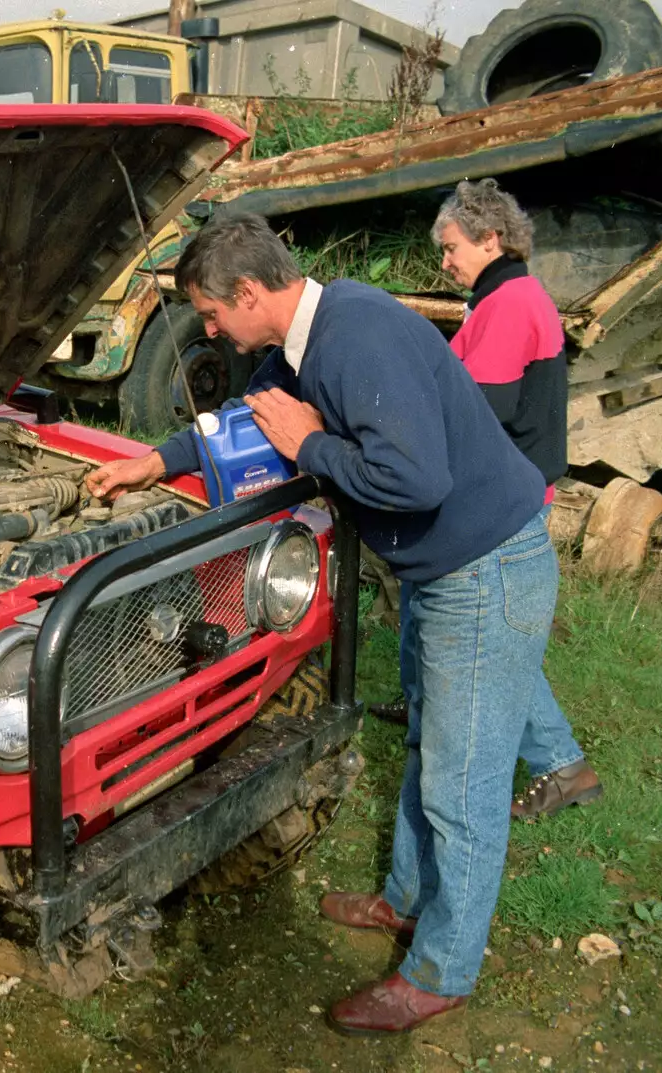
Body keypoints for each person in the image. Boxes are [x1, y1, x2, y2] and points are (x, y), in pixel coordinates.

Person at [86, 213, 557, 1035]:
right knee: (426, 752)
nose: (209, 329)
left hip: (483, 569)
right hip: (439, 572)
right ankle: (405, 900)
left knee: (464, 785)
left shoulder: (353, 340)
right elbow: (249, 418)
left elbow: (414, 478)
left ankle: (442, 972)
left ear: (249, 292)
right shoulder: (307, 341)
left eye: (210, 311)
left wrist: (310, 448)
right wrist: (154, 462)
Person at [380, 179, 599, 822]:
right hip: (512, 485)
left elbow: (482, 409)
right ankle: (424, 697)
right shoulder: (505, 295)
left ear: (490, 239)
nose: (443, 260)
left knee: (491, 640)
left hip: (503, 496)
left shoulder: (507, 303)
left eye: (450, 247)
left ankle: (561, 762)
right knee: (476, 630)